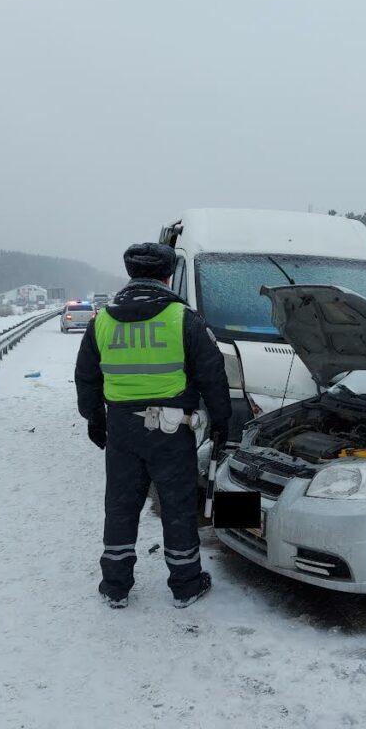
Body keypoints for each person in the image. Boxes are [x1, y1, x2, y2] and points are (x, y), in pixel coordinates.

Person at [75, 242, 231, 609]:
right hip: (171, 431)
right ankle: (185, 585)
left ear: (131, 274)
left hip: (122, 430)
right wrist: (222, 423)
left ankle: (115, 586)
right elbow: (213, 376)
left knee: (120, 506)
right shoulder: (183, 318)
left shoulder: (103, 321)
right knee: (177, 506)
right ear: (167, 275)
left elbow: (86, 378)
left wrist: (96, 421)